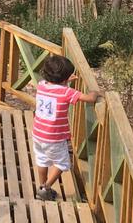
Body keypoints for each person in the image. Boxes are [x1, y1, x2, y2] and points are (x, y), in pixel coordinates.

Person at [31, 54, 99, 201]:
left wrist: (65, 81)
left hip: (38, 133)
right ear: (64, 79)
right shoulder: (66, 92)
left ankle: (41, 186)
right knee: (62, 163)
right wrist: (94, 92)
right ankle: (46, 187)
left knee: (42, 160)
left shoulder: (41, 85)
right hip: (54, 138)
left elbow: (55, 89)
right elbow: (90, 99)